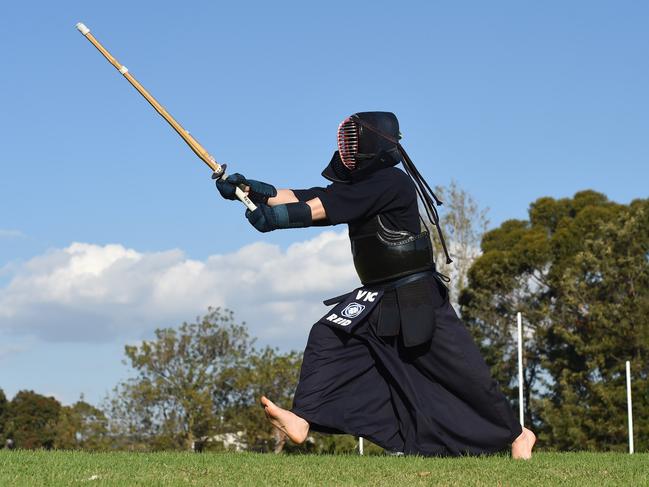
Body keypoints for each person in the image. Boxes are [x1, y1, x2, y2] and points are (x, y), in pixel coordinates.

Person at [215, 112, 536, 458]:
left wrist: (277, 219)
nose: (347, 151)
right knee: (329, 334)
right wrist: (249, 191)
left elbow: (324, 207)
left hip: (417, 295)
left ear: (372, 145)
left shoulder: (392, 183)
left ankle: (518, 435)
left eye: (352, 143)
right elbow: (312, 195)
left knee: (463, 373)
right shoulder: (359, 187)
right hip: (377, 295)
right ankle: (303, 419)